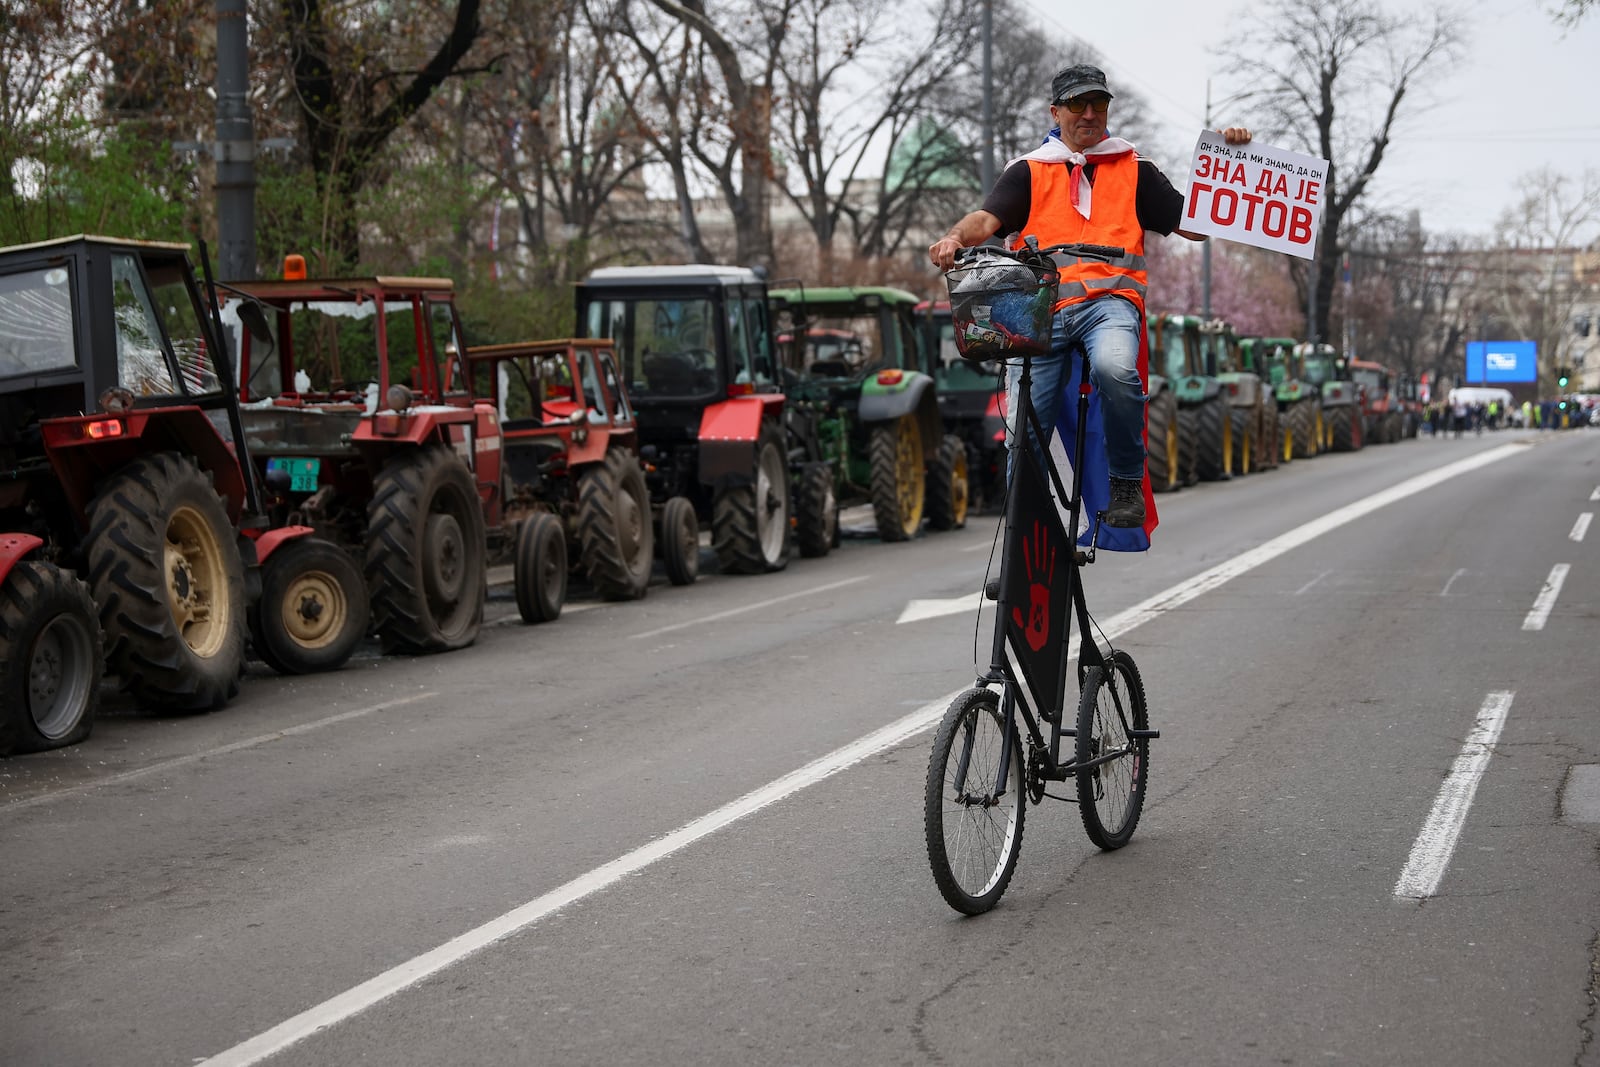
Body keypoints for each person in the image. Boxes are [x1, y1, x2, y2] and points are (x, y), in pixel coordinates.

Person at [929, 63, 1252, 527]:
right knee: (1024, 427)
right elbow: (985, 220)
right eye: (1077, 104)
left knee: (1115, 370)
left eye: (1098, 103)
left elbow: (1195, 227)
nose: (1089, 113)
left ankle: (1125, 483)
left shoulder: (1135, 169)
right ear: (1055, 112)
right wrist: (954, 238)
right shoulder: (1029, 171)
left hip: (1109, 305)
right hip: (1038, 314)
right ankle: (1023, 538)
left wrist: (1232, 161)